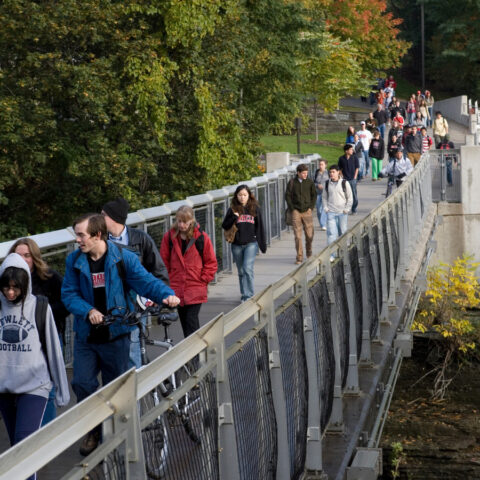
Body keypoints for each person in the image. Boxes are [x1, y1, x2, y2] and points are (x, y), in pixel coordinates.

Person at [61, 213, 179, 456]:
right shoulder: (74, 260)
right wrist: (89, 310)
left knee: (118, 389)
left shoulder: (123, 258)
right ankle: (94, 430)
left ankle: (120, 436)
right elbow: (69, 294)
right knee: (82, 383)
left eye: (82, 235)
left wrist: (166, 295)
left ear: (98, 235)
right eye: (77, 235)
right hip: (87, 336)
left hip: (116, 335)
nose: (78, 240)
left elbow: (146, 282)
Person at [0, 253, 69, 479]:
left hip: (34, 388)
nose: (10, 293)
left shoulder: (40, 307)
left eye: (15, 288)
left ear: (25, 284)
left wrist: (61, 391)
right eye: (5, 288)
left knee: (24, 448)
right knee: (15, 450)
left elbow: (53, 350)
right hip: (4, 389)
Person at [101, 197, 169, 369]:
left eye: (103, 215)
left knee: (132, 351)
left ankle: (136, 391)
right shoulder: (100, 241)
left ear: (114, 218)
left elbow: (158, 270)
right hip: (109, 307)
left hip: (135, 305)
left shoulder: (141, 239)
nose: (99, 219)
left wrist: (156, 297)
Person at [8, 238, 69, 426]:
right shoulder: (7, 280)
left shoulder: (50, 277)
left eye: (27, 255)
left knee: (46, 386)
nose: (23, 260)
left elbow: (66, 303)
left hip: (47, 337)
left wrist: (44, 312)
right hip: (19, 344)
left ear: (35, 257)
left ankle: (47, 431)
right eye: (18, 255)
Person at [160, 206, 218, 334]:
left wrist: (203, 280)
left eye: (184, 222)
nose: (181, 225)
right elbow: (164, 262)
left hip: (195, 286)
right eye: (179, 221)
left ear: (191, 220)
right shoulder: (169, 237)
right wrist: (169, 279)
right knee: (185, 323)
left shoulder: (201, 237)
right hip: (177, 287)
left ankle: (195, 353)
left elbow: (211, 262)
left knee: (191, 321)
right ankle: (193, 352)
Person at [221, 187, 266, 302]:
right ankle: (244, 294)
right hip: (236, 244)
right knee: (241, 271)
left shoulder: (255, 208)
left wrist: (262, 244)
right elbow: (225, 225)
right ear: (236, 196)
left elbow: (259, 227)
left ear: (249, 195)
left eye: (244, 195)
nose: (242, 197)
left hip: (251, 243)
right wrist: (233, 217)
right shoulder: (232, 209)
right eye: (240, 195)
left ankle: (248, 296)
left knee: (247, 268)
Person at [285, 163, 316, 264]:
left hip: (307, 211)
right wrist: (292, 208)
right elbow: (287, 196)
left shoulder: (310, 182)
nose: (305, 175)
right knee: (298, 236)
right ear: (298, 173)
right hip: (296, 211)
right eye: (303, 173)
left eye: (306, 173)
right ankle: (299, 257)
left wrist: (311, 208)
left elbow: (314, 196)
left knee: (309, 235)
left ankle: (309, 251)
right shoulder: (292, 182)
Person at [324, 165, 353, 246]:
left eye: (333, 172)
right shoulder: (327, 183)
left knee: (343, 233)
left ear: (338, 172)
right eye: (330, 172)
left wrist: (347, 209)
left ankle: (345, 252)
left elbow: (350, 197)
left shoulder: (344, 183)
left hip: (342, 212)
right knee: (331, 234)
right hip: (331, 212)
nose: (331, 174)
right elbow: (324, 197)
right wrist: (326, 208)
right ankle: (332, 256)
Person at [338, 144, 359, 214]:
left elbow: (357, 167)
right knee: (345, 195)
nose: (352, 150)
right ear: (346, 151)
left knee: (354, 195)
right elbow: (339, 169)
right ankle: (346, 209)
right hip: (345, 180)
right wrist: (342, 176)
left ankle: (354, 208)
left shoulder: (354, 157)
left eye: (352, 149)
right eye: (350, 149)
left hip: (352, 179)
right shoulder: (341, 158)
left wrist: (355, 177)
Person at [313, 159, 329, 230]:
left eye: (322, 164)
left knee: (324, 209)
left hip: (326, 194)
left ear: (325, 165)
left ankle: (323, 224)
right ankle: (321, 223)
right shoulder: (316, 172)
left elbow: (331, 182)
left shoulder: (328, 173)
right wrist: (317, 185)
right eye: (319, 164)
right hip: (318, 193)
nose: (320, 166)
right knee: (319, 210)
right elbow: (313, 183)